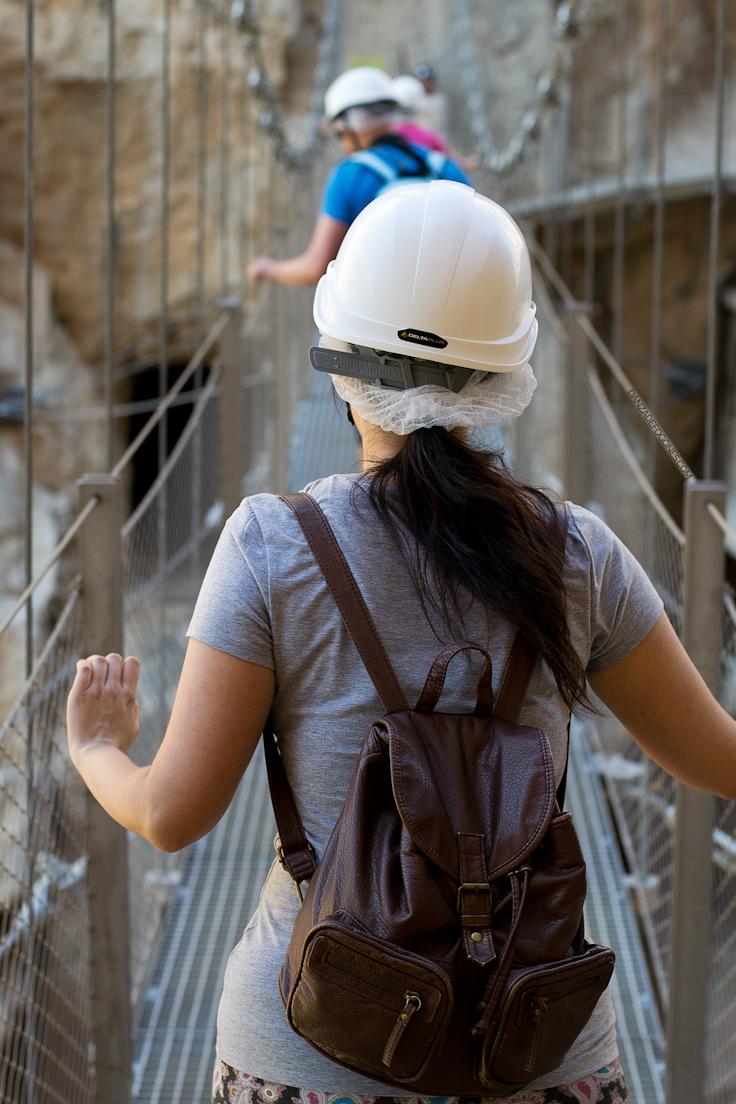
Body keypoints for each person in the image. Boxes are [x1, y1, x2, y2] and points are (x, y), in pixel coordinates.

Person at [67, 182, 736, 1104]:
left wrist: (98, 748)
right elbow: (721, 762)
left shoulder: (271, 545)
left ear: (338, 362)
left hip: (311, 1049)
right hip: (535, 1047)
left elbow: (173, 816)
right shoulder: (578, 551)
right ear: (504, 376)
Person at [246, 67, 471, 286]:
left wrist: (269, 269)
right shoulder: (444, 167)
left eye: (339, 134)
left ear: (350, 124)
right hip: (452, 313)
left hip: (385, 318)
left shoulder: (349, 175)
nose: (343, 145)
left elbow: (315, 267)